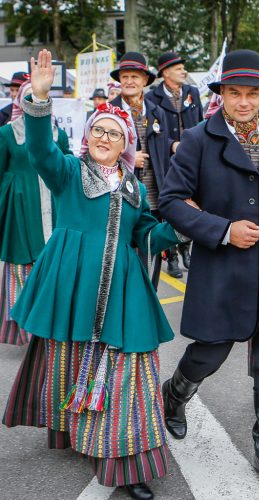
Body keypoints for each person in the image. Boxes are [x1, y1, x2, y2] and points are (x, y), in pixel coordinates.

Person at [2, 49, 182, 500]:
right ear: (87, 137)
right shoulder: (69, 171)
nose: (104, 136)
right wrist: (38, 102)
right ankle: (77, 432)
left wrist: (182, 221)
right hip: (69, 279)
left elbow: (147, 235)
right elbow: (40, 151)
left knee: (127, 366)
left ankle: (124, 455)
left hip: (122, 286)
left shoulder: (135, 188)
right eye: (98, 130)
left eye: (113, 133)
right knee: (71, 355)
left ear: (126, 146)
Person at [158, 49, 259, 496]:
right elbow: (171, 200)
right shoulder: (200, 140)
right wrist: (222, 230)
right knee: (209, 354)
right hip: (222, 269)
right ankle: (175, 395)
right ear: (221, 93)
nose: (244, 102)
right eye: (235, 93)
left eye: (253, 93)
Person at [0, 79, 72, 346]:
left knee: (52, 265)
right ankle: (27, 332)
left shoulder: (57, 134)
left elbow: (67, 169)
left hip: (53, 207)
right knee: (21, 268)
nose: (32, 102)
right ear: (20, 101)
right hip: (20, 210)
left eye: (38, 98)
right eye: (28, 97)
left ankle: (49, 325)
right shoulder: (7, 134)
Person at [109, 52, 173, 290]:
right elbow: (94, 154)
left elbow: (164, 154)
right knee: (122, 258)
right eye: (124, 76)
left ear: (145, 80)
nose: (129, 81)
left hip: (154, 196)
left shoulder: (157, 112)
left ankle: (149, 304)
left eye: (134, 76)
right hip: (122, 196)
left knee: (151, 256)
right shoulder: (108, 110)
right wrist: (125, 157)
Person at [146, 51, 204, 277]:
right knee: (168, 208)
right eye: (179, 68)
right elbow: (152, 133)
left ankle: (186, 250)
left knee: (191, 203)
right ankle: (170, 257)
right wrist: (171, 144)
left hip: (192, 159)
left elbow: (199, 122)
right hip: (166, 160)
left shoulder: (193, 92)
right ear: (166, 72)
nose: (184, 72)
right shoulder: (152, 97)